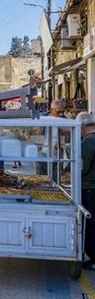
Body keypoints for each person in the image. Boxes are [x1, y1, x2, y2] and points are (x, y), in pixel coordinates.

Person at [76, 112, 95, 269]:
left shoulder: (88, 143)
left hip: (89, 188)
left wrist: (70, 173)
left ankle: (93, 257)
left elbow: (82, 167)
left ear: (82, 127)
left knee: (90, 224)